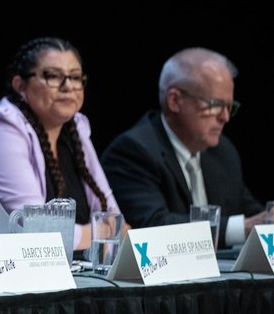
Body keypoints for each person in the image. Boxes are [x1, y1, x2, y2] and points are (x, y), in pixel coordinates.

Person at [0, 36, 126, 254]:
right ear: (20, 85)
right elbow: (38, 230)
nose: (68, 86)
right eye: (52, 76)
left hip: (65, 269)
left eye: (76, 77)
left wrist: (107, 231)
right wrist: (103, 232)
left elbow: (116, 220)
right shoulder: (0, 126)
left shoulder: (76, 127)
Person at [100, 47, 265, 248]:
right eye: (215, 104)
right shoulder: (133, 151)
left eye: (230, 106)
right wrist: (242, 229)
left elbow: (251, 213)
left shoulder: (222, 151)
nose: (225, 117)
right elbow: (153, 226)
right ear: (175, 100)